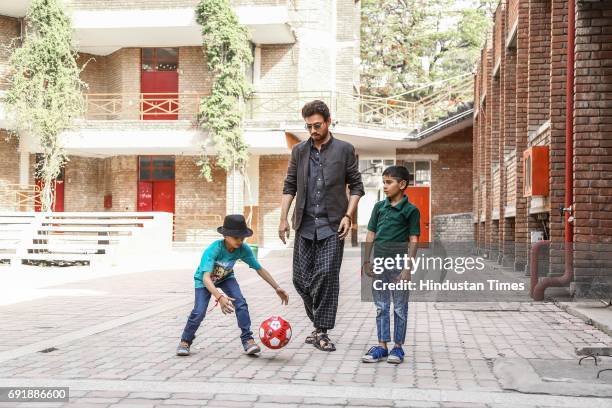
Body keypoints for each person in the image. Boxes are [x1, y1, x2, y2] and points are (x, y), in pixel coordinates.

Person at [279, 100, 364, 352]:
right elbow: (290, 185)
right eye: (308, 127)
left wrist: (348, 216)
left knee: (326, 275)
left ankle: (322, 331)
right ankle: (319, 325)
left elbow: (357, 187)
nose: (313, 131)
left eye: (317, 125)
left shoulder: (345, 150)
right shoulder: (299, 151)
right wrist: (283, 218)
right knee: (300, 280)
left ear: (328, 122)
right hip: (304, 224)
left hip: (332, 225)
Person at [177, 214, 289, 356]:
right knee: (199, 311)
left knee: (240, 302)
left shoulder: (243, 249)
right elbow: (206, 278)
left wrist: (276, 287)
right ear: (226, 236)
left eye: (242, 237)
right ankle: (185, 341)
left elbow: (259, 269)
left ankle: (248, 340)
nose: (240, 241)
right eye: (236, 237)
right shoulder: (213, 250)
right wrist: (219, 297)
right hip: (204, 281)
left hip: (226, 278)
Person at [362, 166, 420, 364]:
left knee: (400, 308)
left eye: (388, 182)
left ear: (402, 184)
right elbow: (371, 234)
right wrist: (366, 261)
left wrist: (408, 268)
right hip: (379, 264)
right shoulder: (379, 207)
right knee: (381, 306)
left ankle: (398, 348)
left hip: (398, 265)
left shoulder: (411, 211)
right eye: (383, 182)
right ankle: (382, 346)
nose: (384, 186)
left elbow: (414, 239)